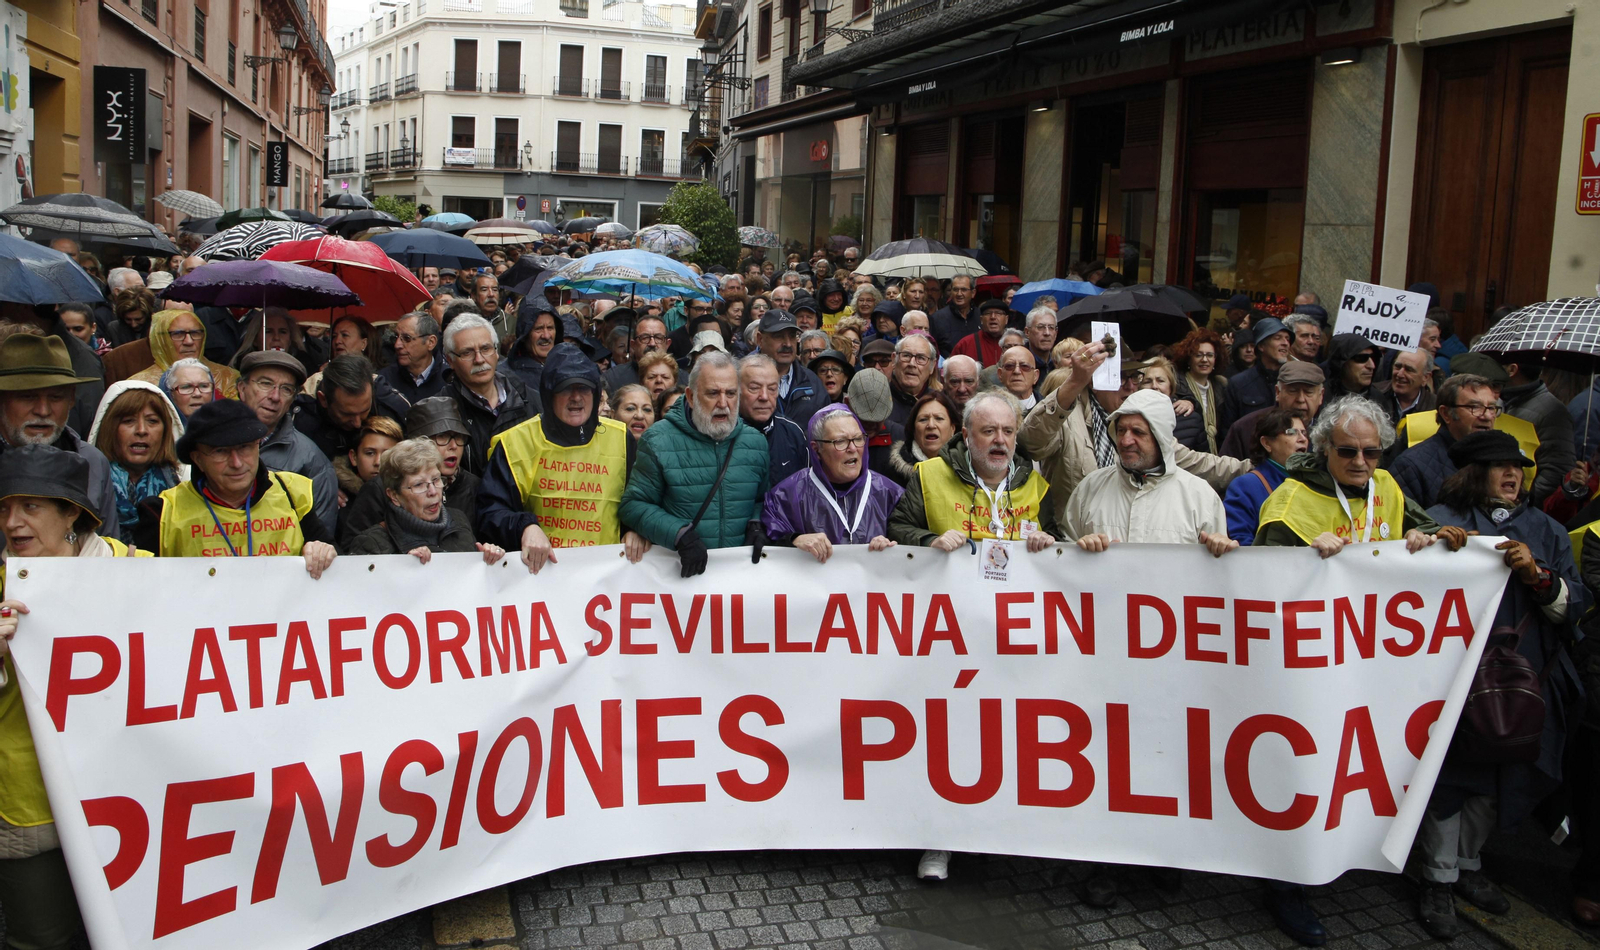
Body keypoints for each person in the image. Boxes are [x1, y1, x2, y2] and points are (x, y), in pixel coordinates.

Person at [1418, 430, 1584, 940]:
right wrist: (1429, 552)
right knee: (1448, 778)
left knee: (1499, 777)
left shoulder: (1547, 529)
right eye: (1499, 466)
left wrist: (1539, 577)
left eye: (1518, 468)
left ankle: (1469, 866)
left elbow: (1574, 603)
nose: (1513, 475)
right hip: (1452, 677)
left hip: (1523, 681)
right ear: (1473, 472)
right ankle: (1436, 878)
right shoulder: (1440, 521)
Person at [0, 445, 148, 950]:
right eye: (4, 508)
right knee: (42, 938)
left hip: (130, 800)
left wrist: (313, 568)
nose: (13, 522)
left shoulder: (135, 570)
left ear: (72, 515)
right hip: (32, 800)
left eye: (31, 506)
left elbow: (231, 611)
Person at [1021, 341, 1248, 521]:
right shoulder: (1068, 416)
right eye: (1120, 378)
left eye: (1134, 377)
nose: (1130, 386)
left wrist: (1255, 470)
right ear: (1095, 381)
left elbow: (1195, 462)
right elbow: (1030, 443)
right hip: (1076, 540)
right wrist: (1073, 383)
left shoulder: (1142, 419)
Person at [476, 343, 645, 570]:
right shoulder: (514, 443)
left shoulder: (621, 437)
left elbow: (641, 498)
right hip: (539, 576)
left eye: (584, 389)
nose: (576, 398)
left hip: (605, 576)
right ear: (549, 394)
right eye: (565, 389)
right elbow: (489, 512)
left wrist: (636, 528)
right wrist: (524, 527)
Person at [134, 400, 336, 572]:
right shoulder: (162, 512)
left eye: (245, 447)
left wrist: (323, 551)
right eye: (221, 451)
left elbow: (335, 562)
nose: (237, 463)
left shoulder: (292, 493)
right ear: (198, 460)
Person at [619, 351, 770, 576]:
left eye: (730, 393)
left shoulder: (755, 442)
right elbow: (634, 505)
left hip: (739, 578)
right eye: (712, 393)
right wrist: (679, 534)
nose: (723, 403)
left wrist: (757, 524)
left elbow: (761, 499)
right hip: (680, 576)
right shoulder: (658, 440)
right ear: (690, 396)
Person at [1256, 396, 1455, 554]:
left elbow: (1428, 528)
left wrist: (1417, 535)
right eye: (1347, 451)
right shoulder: (1288, 500)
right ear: (1325, 446)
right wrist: (1307, 555)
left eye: (1371, 452)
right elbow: (1268, 572)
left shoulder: (1384, 483)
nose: (1360, 462)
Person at [888, 389, 1060, 553]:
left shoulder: (1036, 485)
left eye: (1008, 431)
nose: (1000, 440)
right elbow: (897, 528)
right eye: (989, 431)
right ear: (966, 435)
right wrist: (930, 541)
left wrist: (1047, 540)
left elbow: (1056, 544)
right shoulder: (929, 475)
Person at [1064, 388, 1235, 551]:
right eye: (1122, 430)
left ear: (1161, 438)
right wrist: (1080, 551)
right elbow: (1063, 561)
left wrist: (1220, 549)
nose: (1125, 441)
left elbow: (1213, 572)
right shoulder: (1090, 487)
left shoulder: (1200, 496)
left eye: (1138, 432)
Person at [0, 333, 119, 539]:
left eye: (56, 397)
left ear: (72, 399)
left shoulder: (91, 460)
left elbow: (107, 551)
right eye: (28, 396)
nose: (43, 410)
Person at [761, 405, 903, 560]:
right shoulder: (787, 496)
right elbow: (766, 546)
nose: (853, 448)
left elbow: (910, 541)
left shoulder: (891, 493)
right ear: (816, 449)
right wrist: (793, 540)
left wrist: (892, 545)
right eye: (840, 441)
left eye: (858, 439)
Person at [339, 396, 481, 547]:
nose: (453, 445)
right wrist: (404, 559)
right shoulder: (379, 488)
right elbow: (354, 552)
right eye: (442, 437)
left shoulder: (473, 487)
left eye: (459, 437)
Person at [348, 438, 507, 565]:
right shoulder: (371, 544)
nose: (433, 492)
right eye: (419, 485)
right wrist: (402, 568)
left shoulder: (459, 520)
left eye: (436, 480)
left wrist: (486, 562)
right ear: (394, 496)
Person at [236, 350, 340, 535]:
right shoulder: (211, 445)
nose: (275, 396)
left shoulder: (311, 459)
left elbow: (321, 537)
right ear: (242, 388)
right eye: (266, 383)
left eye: (286, 389)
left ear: (292, 399)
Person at [87, 381, 187, 546]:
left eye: (152, 421)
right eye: (128, 421)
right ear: (109, 428)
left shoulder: (185, 483)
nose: (141, 430)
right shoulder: (88, 485)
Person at [441, 314, 539, 476]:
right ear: (450, 361)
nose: (479, 359)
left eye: (485, 349)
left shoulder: (531, 400)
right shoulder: (441, 410)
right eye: (467, 353)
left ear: (496, 351)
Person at [1389, 374, 1500, 510]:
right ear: (1446, 413)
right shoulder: (1410, 467)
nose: (1487, 416)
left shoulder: (1503, 460)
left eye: (1491, 408)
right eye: (1475, 407)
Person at [1493, 353, 1575, 506]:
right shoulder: (1500, 400)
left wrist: (1524, 501)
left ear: (1512, 369)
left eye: (1498, 365)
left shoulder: (1553, 412)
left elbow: (1557, 471)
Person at [1222, 407, 1308, 545]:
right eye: (1291, 432)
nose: (1302, 439)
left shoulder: (1313, 483)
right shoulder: (1245, 486)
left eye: (1304, 433)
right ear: (1267, 443)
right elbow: (1240, 542)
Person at [1219, 362, 1325, 460]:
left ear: (1321, 396)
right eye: (1293, 391)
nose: (1301, 399)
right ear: (1278, 392)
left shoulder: (1329, 432)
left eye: (1308, 392)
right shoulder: (1247, 427)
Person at [740, 353, 810, 487]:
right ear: (736, 390)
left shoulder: (793, 433)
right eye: (754, 388)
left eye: (772, 389)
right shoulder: (723, 434)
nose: (764, 396)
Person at [754, 309, 828, 426]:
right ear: (760, 340)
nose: (788, 344)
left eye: (792, 336)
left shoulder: (812, 382)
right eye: (778, 336)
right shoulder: (743, 380)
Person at [1219, 317, 1291, 434]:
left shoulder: (1293, 382)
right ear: (1261, 346)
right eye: (1277, 338)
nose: (1285, 343)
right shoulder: (1239, 383)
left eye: (1287, 339)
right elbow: (1228, 430)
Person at [1172, 328, 1229, 453]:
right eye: (1198, 355)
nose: (1204, 360)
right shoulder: (1176, 386)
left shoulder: (1221, 387)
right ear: (1188, 359)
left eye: (1209, 355)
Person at [888, 390, 958, 484]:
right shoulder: (894, 473)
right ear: (913, 429)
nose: (931, 425)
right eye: (923, 419)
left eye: (939, 418)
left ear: (952, 428)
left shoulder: (970, 470)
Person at [380, 312, 447, 404]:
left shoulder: (449, 379)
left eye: (407, 338)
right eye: (396, 337)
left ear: (431, 342)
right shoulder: (383, 381)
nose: (397, 345)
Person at [336, 415, 402, 506]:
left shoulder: (415, 493)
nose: (378, 462)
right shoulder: (337, 498)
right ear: (354, 457)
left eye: (386, 454)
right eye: (370, 453)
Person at [603, 314, 673, 394]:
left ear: (667, 344)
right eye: (645, 338)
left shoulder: (682, 378)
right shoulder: (612, 378)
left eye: (658, 338)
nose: (652, 343)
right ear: (633, 345)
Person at [887, 333, 937, 427]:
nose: (912, 363)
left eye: (921, 358)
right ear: (894, 360)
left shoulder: (939, 403)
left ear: (932, 366)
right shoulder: (879, 400)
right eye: (906, 355)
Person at [1378, 348, 1437, 425]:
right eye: (1397, 367)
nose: (1400, 374)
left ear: (1425, 378)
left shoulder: (1435, 407)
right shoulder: (1373, 395)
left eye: (1409, 370)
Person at [950, 298, 1010, 367]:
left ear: (1006, 319)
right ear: (981, 319)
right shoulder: (965, 344)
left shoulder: (1015, 343)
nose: (993, 317)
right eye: (988, 313)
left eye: (998, 313)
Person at [1324, 334, 1379, 404]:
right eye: (1362, 358)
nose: (1372, 366)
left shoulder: (1378, 399)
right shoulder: (1320, 397)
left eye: (1373, 358)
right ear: (1342, 363)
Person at [929, 275, 977, 355]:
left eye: (964, 290)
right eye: (955, 289)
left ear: (973, 293)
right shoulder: (937, 318)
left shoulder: (981, 316)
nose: (959, 294)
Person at [159, 358, 216, 422]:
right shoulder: (157, 430)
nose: (197, 394)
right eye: (186, 387)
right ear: (171, 394)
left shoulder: (226, 429)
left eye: (204, 386)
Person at [996, 346, 1040, 410]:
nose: (1016, 371)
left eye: (1024, 366)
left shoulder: (1048, 410)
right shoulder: (987, 409)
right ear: (1000, 374)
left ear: (1035, 376)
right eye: (1010, 366)